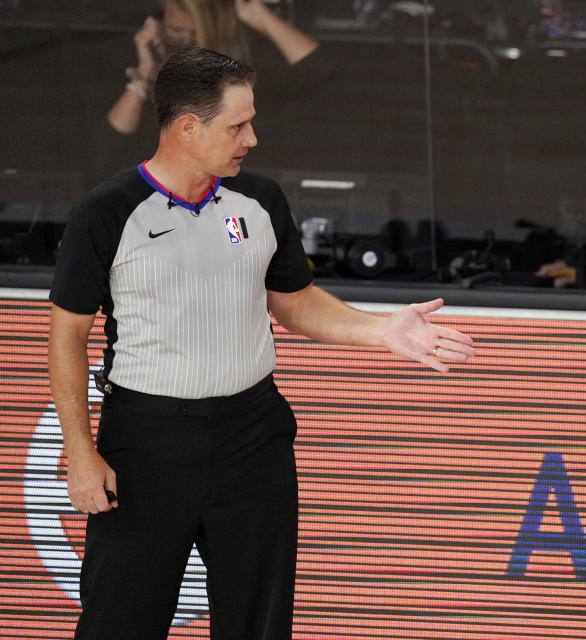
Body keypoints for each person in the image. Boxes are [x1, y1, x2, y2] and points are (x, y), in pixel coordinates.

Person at [47, 46, 475, 639]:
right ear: (187, 127)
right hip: (146, 445)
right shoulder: (107, 211)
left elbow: (294, 301)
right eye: (238, 125)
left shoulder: (260, 201)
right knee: (120, 623)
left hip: (253, 441)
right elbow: (67, 335)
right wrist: (80, 452)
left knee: (259, 624)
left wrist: (381, 329)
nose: (253, 137)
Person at [107, 0, 319, 135]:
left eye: (195, 31)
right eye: (175, 30)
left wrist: (262, 18)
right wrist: (145, 70)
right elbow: (113, 141)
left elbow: (319, 71)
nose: (186, 39)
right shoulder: (146, 59)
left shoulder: (249, 60)